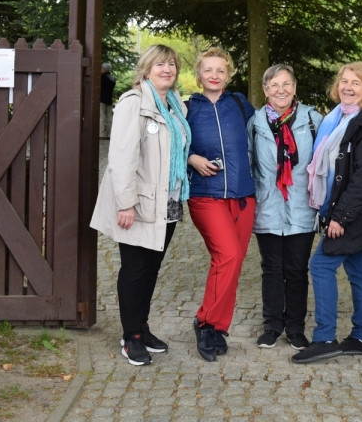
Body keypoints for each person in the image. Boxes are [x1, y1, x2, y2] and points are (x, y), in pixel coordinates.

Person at [89, 44, 191, 366]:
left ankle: (142, 326)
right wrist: (126, 204)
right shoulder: (133, 104)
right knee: (134, 270)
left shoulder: (175, 107)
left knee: (151, 269)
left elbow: (174, 153)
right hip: (139, 203)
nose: (167, 69)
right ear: (146, 69)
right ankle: (130, 336)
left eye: (172, 64)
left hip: (168, 203)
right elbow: (121, 158)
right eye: (160, 64)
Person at [291, 62, 362, 364]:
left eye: (356, 83)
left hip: (354, 214)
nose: (347, 87)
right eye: (344, 81)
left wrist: (339, 217)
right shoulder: (337, 119)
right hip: (351, 211)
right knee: (359, 270)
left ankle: (325, 338)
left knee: (320, 266)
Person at [185, 47, 256, 362]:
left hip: (243, 196)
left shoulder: (240, 104)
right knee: (226, 255)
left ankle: (217, 327)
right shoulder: (186, 109)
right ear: (199, 74)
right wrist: (191, 158)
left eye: (220, 70)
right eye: (208, 70)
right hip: (206, 194)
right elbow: (172, 146)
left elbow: (265, 139)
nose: (214, 75)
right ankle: (205, 321)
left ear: (229, 75)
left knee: (234, 262)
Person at [249, 64, 324, 351]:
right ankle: (272, 325)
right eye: (274, 85)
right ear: (265, 90)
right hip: (267, 206)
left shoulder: (313, 119)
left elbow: (323, 166)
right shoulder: (255, 123)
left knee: (296, 270)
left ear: (295, 87)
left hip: (302, 207)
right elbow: (249, 163)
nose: (281, 90)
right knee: (271, 269)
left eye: (286, 84)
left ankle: (295, 327)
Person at [99, 62, 116, 139]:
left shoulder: (101, 78)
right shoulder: (112, 79)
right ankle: (110, 134)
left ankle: (102, 134)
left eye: (102, 68)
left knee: (102, 117)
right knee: (109, 118)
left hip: (102, 100)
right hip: (109, 100)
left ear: (105, 69)